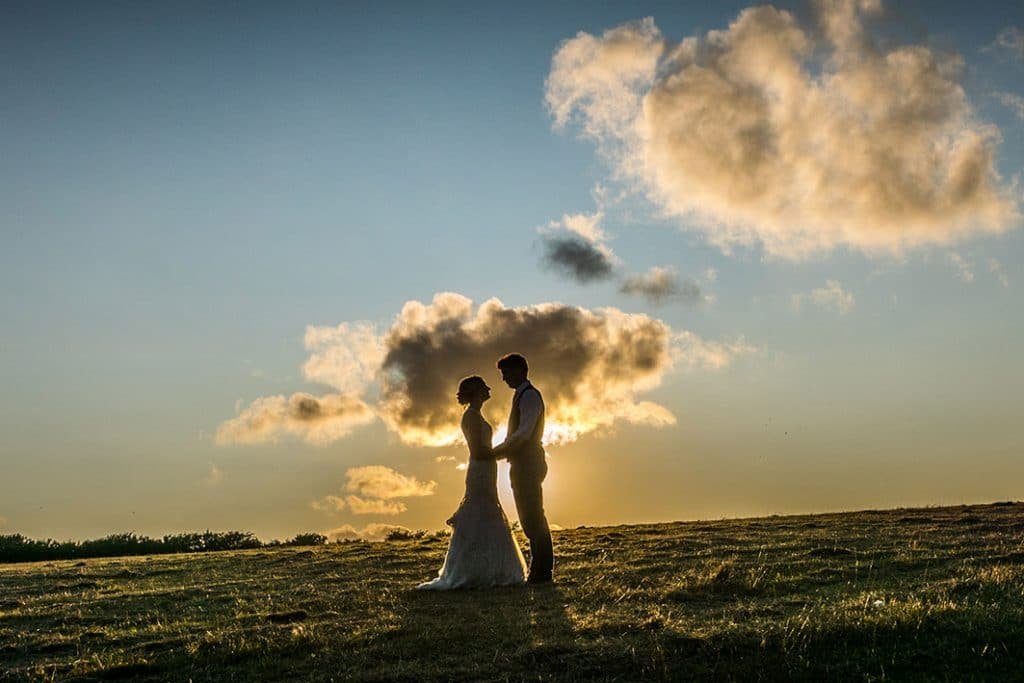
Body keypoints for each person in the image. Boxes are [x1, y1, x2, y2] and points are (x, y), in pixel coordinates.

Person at [416, 376, 527, 590]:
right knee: (480, 509)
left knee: (486, 510)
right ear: (476, 391)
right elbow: (479, 451)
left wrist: (501, 451)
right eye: (484, 386)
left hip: (487, 469)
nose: (488, 389)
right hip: (480, 470)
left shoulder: (476, 415)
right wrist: (506, 449)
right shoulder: (471, 417)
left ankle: (489, 566)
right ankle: (476, 568)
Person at [492, 353, 554, 584]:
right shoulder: (521, 396)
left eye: (506, 373)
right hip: (522, 462)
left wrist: (495, 452)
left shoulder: (529, 397)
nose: (504, 378)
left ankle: (541, 572)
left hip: (528, 462)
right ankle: (539, 570)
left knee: (533, 517)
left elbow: (523, 434)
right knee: (529, 517)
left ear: (520, 370)